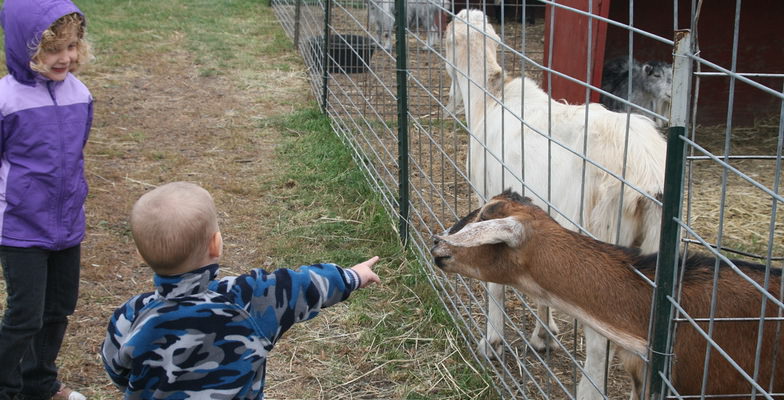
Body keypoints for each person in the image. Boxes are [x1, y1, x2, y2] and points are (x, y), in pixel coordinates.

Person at [101, 181, 381, 398]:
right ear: (216, 244)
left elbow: (117, 370)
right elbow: (304, 286)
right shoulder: (246, 298)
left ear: (140, 255)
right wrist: (352, 276)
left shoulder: (131, 315)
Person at [0, 0, 93, 399]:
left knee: (58, 310)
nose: (65, 58)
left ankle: (39, 384)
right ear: (25, 49)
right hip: (20, 226)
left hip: (67, 225)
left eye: (71, 47)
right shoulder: (7, 100)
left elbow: (76, 154)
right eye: (53, 50)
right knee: (24, 317)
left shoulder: (81, 95)